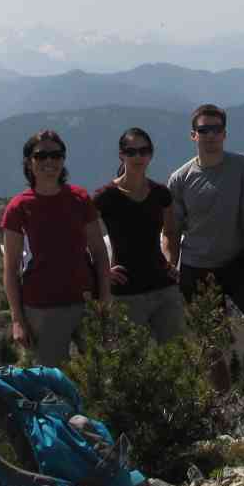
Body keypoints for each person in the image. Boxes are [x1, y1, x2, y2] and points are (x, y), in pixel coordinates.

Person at [164, 103, 244, 392]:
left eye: (216, 129)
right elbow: (172, 231)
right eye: (204, 130)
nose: (210, 135)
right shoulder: (180, 179)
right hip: (196, 267)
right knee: (211, 339)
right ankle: (223, 401)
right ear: (193, 135)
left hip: (236, 262)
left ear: (225, 133)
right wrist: (171, 266)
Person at [0, 128, 111, 367]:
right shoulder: (18, 208)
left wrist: (105, 298)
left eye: (56, 155)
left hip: (86, 302)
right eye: (41, 155)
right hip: (42, 308)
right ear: (29, 162)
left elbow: (99, 253)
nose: (49, 161)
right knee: (51, 378)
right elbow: (10, 270)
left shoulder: (80, 199)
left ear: (63, 159)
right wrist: (17, 320)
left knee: (102, 373)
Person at [93, 126, 188, 342]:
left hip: (163, 287)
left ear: (151, 154)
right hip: (125, 291)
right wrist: (102, 270)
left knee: (176, 353)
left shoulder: (160, 193)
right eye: (131, 152)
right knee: (133, 357)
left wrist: (171, 261)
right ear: (121, 155)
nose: (138, 157)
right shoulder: (105, 197)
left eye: (143, 151)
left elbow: (170, 231)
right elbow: (84, 237)